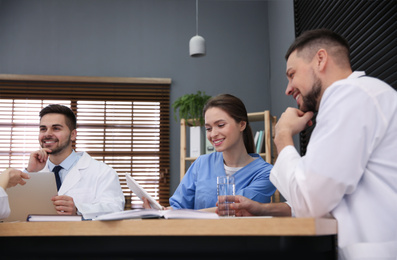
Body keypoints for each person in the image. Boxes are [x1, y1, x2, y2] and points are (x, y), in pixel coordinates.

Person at [231, 29, 397, 259]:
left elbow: (311, 201)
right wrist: (262, 208)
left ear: (320, 59)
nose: (287, 89)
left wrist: (283, 136)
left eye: (291, 74)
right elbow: (321, 195)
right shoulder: (362, 96)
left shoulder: (348, 95)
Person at [25, 104, 125, 219]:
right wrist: (30, 172)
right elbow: (10, 209)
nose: (47, 134)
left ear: (73, 135)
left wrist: (78, 210)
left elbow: (115, 209)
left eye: (56, 128)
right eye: (43, 129)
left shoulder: (102, 172)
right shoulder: (33, 171)